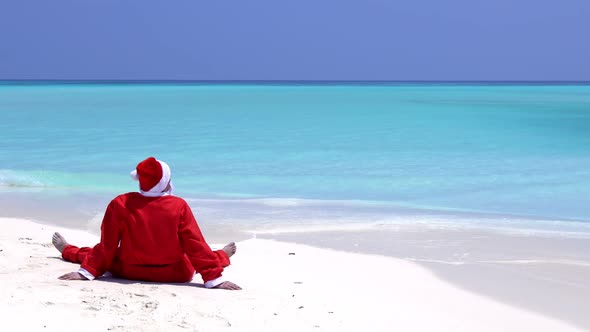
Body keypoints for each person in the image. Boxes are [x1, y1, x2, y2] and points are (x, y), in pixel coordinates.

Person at [53, 156, 241, 290]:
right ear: (167, 183)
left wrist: (88, 272)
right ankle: (222, 256)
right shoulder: (179, 205)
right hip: (175, 273)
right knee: (198, 255)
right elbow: (195, 245)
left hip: (128, 271)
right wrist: (213, 280)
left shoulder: (121, 202)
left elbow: (108, 244)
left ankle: (69, 251)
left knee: (97, 252)